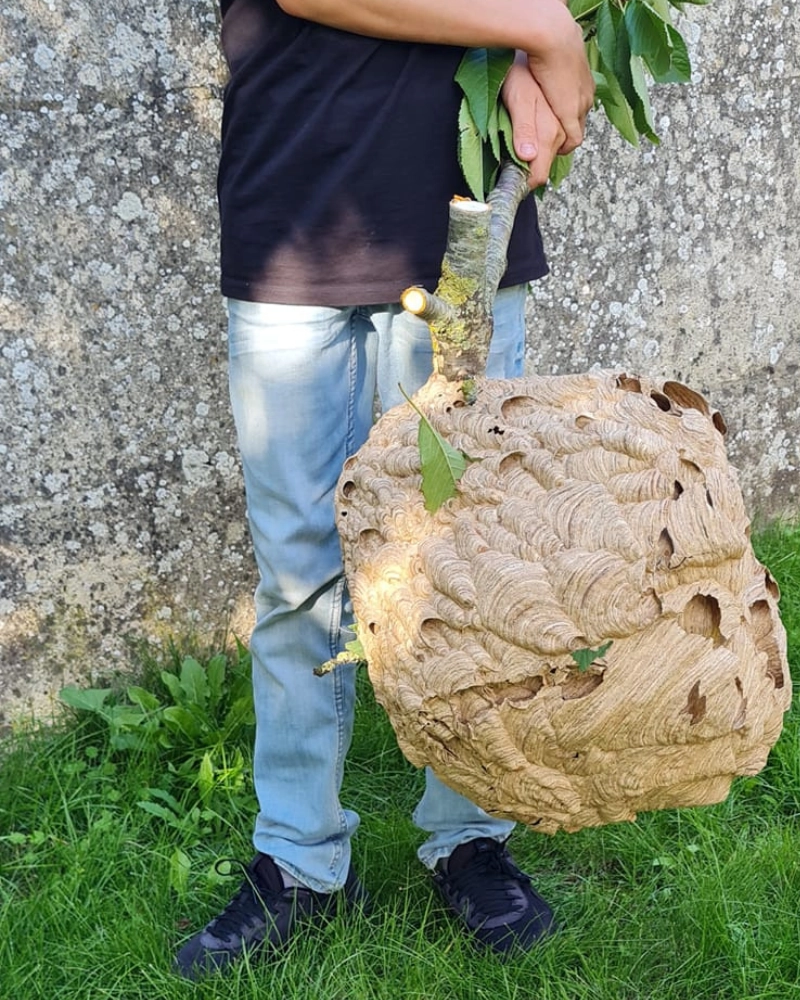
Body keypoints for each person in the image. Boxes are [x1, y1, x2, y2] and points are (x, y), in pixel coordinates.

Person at [174, 0, 594, 979]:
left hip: (460, 220)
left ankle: (470, 836)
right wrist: (545, 30)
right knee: (302, 576)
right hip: (294, 217)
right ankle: (300, 860)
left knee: (470, 561)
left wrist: (552, 41)